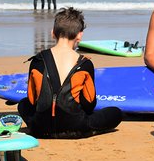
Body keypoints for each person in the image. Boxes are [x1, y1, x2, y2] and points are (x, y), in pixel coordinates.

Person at [18, 7, 123, 138]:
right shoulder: (84, 63)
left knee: (23, 104)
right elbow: (89, 104)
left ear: (52, 33)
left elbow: (32, 101)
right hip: (76, 127)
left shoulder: (38, 60)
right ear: (79, 35)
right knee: (116, 112)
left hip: (40, 127)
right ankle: (85, 129)